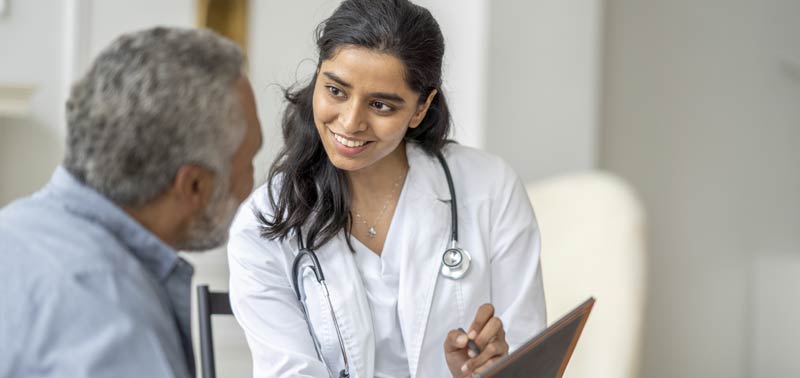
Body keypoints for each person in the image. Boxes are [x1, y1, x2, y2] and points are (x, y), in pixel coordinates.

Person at [227, 0, 545, 376]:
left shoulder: (490, 189)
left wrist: (481, 372)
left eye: (380, 105)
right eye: (336, 90)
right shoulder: (263, 222)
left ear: (420, 108)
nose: (350, 122)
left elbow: (531, 361)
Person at [0, 27, 262, 377]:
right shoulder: (117, 325)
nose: (252, 184)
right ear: (195, 185)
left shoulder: (14, 228)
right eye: (248, 163)